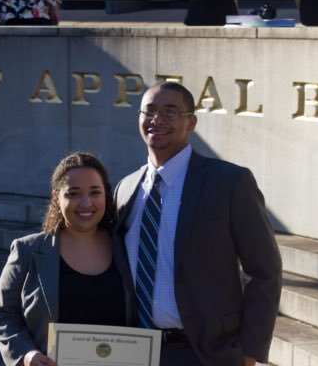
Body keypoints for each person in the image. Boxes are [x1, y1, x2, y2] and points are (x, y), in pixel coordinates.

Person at [113, 82, 282, 366]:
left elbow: (265, 270)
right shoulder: (125, 189)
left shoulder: (229, 182)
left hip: (205, 352)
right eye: (149, 111)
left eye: (170, 112)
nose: (157, 120)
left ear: (191, 122)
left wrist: (250, 352)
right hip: (135, 349)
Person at [0, 152, 133, 366]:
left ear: (106, 195)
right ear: (57, 198)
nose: (86, 203)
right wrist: (27, 354)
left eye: (95, 192)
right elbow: (3, 314)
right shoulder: (28, 250)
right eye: (73, 194)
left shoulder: (127, 247)